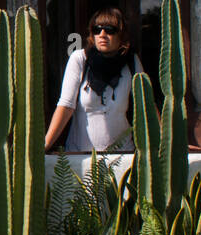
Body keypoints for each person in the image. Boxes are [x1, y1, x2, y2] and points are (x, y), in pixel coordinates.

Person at [44, 8, 145, 153]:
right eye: (97, 29)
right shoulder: (80, 58)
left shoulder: (132, 62)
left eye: (110, 30)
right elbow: (66, 105)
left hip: (123, 155)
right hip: (81, 156)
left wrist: (166, 142)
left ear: (121, 34)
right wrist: (45, 145)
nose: (102, 35)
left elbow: (146, 104)